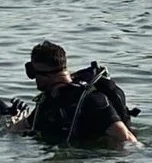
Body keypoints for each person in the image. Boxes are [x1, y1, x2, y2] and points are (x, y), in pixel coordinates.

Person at [9, 41, 138, 146]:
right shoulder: (48, 101)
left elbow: (128, 139)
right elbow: (17, 130)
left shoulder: (91, 100)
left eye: (33, 74)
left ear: (45, 75)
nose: (34, 78)